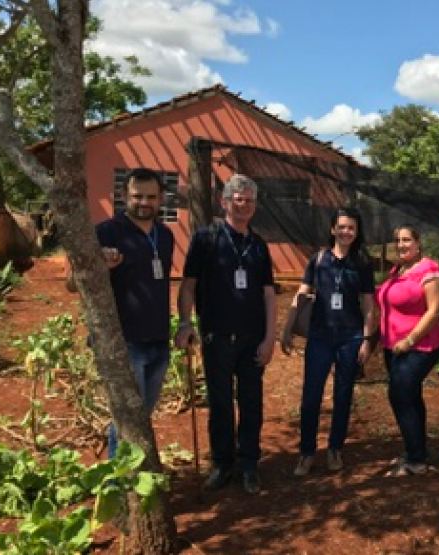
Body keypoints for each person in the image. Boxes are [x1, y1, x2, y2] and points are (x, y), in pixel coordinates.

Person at [175, 174, 276, 494]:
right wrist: (185, 323)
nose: (243, 205)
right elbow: (188, 286)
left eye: (249, 201)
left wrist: (269, 338)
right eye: (238, 199)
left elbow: (268, 294)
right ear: (225, 202)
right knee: (220, 404)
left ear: (255, 205)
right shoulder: (206, 239)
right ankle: (222, 464)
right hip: (216, 338)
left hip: (252, 340)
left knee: (251, 403)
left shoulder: (258, 245)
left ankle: (249, 464)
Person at [66, 167, 175, 460]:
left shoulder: (165, 235)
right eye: (137, 196)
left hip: (158, 340)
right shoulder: (104, 233)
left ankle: (135, 475)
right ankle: (118, 480)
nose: (144, 202)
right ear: (123, 196)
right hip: (123, 343)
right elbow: (71, 283)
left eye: (151, 197)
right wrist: (98, 266)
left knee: (142, 417)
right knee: (127, 420)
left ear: (161, 198)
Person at [280, 207, 376, 476]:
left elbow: (368, 305)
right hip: (320, 337)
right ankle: (306, 453)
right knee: (311, 396)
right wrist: (287, 328)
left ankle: (335, 449)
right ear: (333, 229)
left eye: (351, 228)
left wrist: (366, 340)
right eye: (342, 227)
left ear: (357, 232)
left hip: (350, 337)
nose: (346, 232)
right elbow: (302, 293)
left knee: (343, 396)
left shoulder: (362, 263)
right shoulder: (319, 259)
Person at [376, 225, 439, 477]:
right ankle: (417, 450)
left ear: (418, 242)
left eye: (406, 240)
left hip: (419, 346)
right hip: (394, 347)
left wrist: (410, 339)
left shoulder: (429, 270)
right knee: (411, 396)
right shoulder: (398, 270)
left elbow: (435, 310)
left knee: (400, 395)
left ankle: (416, 459)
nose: (401, 245)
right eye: (397, 240)